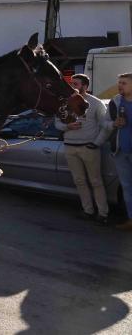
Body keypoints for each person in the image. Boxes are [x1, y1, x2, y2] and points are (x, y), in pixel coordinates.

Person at [54, 74, 110, 224]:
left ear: (85, 86)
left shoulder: (96, 103)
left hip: (89, 147)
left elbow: (106, 127)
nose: (72, 87)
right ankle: (88, 211)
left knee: (96, 181)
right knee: (79, 181)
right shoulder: (64, 103)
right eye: (71, 84)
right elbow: (57, 123)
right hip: (70, 147)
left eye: (76, 84)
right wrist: (67, 126)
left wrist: (96, 143)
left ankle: (103, 214)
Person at [104, 73, 132, 231]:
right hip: (120, 151)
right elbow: (104, 122)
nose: (120, 86)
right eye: (119, 83)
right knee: (127, 187)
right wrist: (114, 124)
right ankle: (131, 219)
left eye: (124, 83)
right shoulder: (115, 101)